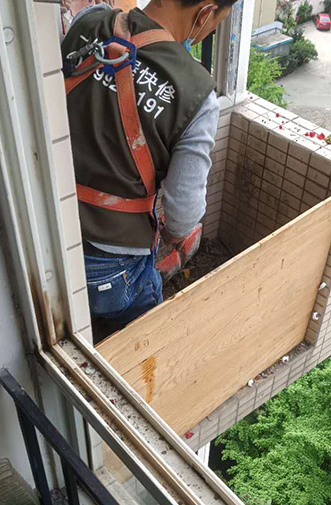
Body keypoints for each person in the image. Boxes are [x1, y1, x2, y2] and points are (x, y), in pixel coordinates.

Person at [61, 0, 237, 341]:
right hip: (112, 262)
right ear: (205, 13)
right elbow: (184, 211)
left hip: (45, 228)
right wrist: (172, 237)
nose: (211, 30)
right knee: (143, 340)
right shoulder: (197, 94)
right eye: (218, 21)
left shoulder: (90, 21)